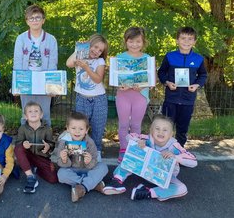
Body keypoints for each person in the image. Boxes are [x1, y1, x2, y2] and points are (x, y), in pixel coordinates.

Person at [103, 115, 197, 201]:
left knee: (182, 188)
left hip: (164, 177)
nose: (160, 132)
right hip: (145, 172)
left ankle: (147, 192)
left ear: (171, 133)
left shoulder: (174, 146)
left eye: (165, 130)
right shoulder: (147, 138)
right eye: (157, 129)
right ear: (151, 130)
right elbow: (129, 136)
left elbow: (193, 161)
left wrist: (176, 157)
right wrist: (138, 141)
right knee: (132, 154)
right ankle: (116, 181)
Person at [158, 27, 207, 147]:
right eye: (183, 38)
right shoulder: (170, 56)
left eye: (190, 39)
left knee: (182, 128)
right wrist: (167, 83)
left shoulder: (198, 59)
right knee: (165, 126)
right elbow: (161, 72)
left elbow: (203, 75)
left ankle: (178, 151)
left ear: (195, 41)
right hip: (171, 99)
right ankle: (162, 149)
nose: (186, 41)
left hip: (188, 100)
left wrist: (196, 85)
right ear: (177, 40)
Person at [13, 5, 58, 126]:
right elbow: (17, 62)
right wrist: (17, 85)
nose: (35, 20)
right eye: (31, 18)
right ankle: (24, 142)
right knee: (26, 113)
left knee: (45, 114)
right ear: (27, 21)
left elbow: (53, 63)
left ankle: (46, 143)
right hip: (26, 81)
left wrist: (51, 86)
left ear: (43, 20)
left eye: (38, 17)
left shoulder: (51, 39)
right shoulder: (21, 39)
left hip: (44, 82)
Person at [66, 34, 109, 160]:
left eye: (100, 50)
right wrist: (79, 49)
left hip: (98, 100)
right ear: (89, 44)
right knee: (78, 127)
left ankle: (97, 153)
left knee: (97, 127)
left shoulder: (100, 61)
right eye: (95, 47)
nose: (96, 51)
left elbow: (97, 79)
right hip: (82, 98)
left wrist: (86, 67)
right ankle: (77, 156)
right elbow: (68, 63)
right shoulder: (80, 56)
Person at [114, 27, 152, 162]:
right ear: (126, 42)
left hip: (140, 96)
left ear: (143, 42)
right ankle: (123, 150)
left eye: (138, 41)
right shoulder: (119, 58)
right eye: (131, 41)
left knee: (136, 125)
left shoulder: (147, 59)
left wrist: (141, 86)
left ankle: (134, 151)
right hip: (123, 95)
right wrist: (121, 86)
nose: (134, 45)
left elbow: (152, 81)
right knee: (123, 125)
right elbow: (114, 79)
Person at [54, 111, 108, 203]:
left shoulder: (90, 142)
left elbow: (94, 161)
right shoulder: (63, 142)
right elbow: (61, 164)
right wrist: (64, 159)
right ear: (67, 129)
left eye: (81, 129)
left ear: (86, 130)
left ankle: (81, 188)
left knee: (103, 167)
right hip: (72, 170)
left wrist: (89, 161)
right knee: (61, 174)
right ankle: (92, 185)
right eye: (73, 128)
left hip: (87, 170)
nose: (77, 131)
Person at [14, 101, 58, 194]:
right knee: (18, 148)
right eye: (30, 111)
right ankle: (30, 176)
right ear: (25, 116)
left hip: (41, 156)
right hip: (28, 155)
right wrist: (23, 144)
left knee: (53, 179)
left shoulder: (47, 128)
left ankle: (36, 169)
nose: (33, 113)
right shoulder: (22, 128)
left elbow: (51, 144)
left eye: (36, 111)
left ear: (41, 115)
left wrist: (48, 147)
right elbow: (18, 143)